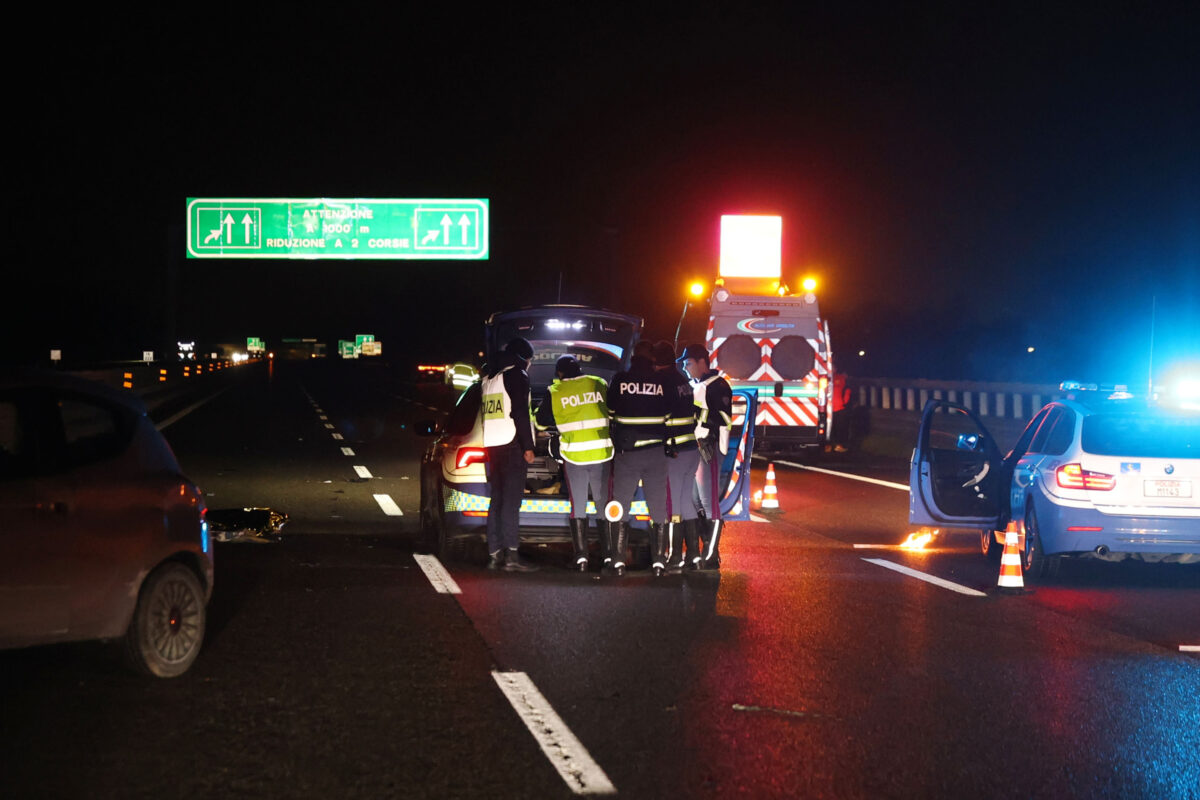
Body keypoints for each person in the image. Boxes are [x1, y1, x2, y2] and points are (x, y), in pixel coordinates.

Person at [534, 355, 613, 571]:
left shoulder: (555, 391)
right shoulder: (599, 383)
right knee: (602, 503)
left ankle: (581, 559)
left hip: (574, 456)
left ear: (559, 373)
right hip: (602, 453)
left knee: (578, 505)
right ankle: (608, 556)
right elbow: (613, 411)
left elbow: (540, 423)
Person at [605, 340, 670, 576]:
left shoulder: (621, 380)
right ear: (652, 358)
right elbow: (668, 414)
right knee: (658, 505)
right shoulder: (661, 382)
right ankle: (659, 563)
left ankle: (618, 562)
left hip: (628, 453)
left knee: (621, 504)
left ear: (633, 356)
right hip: (656, 452)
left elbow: (610, 411)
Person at [480, 337, 538, 572]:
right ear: (524, 357)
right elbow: (520, 413)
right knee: (511, 503)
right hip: (512, 445)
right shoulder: (517, 375)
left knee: (497, 501)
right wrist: (528, 446)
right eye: (530, 359)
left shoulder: (488, 379)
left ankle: (494, 554)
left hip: (493, 446)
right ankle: (512, 556)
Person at [679, 343, 733, 570]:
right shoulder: (696, 385)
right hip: (694, 448)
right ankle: (706, 548)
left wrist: (700, 423)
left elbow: (723, 418)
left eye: (688, 363)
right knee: (693, 500)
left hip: (708, 448)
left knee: (708, 502)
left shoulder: (718, 386)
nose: (685, 368)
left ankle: (711, 555)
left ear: (702, 362)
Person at [652, 340, 704, 571]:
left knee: (672, 504)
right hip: (690, 448)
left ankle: (675, 556)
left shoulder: (662, 382)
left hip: (674, 452)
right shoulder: (682, 381)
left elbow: (659, 417)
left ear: (656, 361)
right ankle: (694, 554)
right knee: (685, 502)